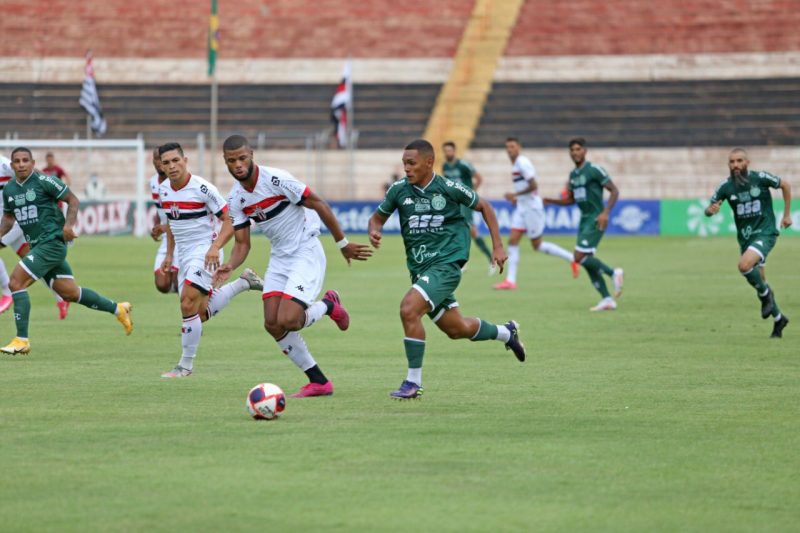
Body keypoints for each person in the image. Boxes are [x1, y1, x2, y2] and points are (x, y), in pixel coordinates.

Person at [214, 135, 372, 397]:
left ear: (252, 154)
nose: (238, 164)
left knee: (289, 319)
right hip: (280, 257)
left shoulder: (276, 179)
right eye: (232, 161)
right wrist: (230, 264)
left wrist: (342, 243)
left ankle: (328, 305)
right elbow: (242, 244)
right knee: (272, 324)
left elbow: (319, 203)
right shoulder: (237, 199)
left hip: (305, 250)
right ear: (226, 162)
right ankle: (319, 381)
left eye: (242, 158)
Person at [367, 139, 526, 400]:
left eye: (412, 163)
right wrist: (375, 230)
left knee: (409, 309)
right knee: (457, 329)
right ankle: (506, 332)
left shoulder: (449, 188)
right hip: (421, 270)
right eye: (404, 163)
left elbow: (485, 206)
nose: (406, 169)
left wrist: (498, 246)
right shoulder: (399, 191)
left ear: (429, 162)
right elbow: (377, 217)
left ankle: (412, 382)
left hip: (447, 265)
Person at [0, 147, 132, 354]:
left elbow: (73, 200)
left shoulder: (44, 181)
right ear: (13, 165)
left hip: (52, 243)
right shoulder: (9, 190)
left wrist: (68, 226)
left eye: (26, 160)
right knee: (69, 292)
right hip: (37, 245)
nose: (21, 164)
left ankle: (21, 340)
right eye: (17, 161)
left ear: (33, 163)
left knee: (16, 282)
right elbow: (9, 217)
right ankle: (118, 309)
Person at [157, 142, 263, 378]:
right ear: (161, 166)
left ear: (185, 161)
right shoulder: (164, 190)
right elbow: (173, 224)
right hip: (185, 255)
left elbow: (229, 219)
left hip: (205, 251)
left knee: (186, 304)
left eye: (176, 160)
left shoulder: (203, 189)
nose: (172, 166)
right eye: (166, 163)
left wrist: (215, 247)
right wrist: (169, 254)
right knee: (200, 313)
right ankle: (243, 283)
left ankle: (185, 367)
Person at [704, 148, 791, 338]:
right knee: (760, 281)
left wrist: (786, 215)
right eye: (732, 162)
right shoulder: (725, 187)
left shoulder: (760, 178)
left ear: (747, 162)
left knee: (744, 265)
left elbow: (785, 185)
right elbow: (708, 211)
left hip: (766, 233)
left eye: (739, 161)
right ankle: (778, 319)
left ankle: (766, 294)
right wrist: (711, 210)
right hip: (746, 238)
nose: (735, 165)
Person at [543, 138, 623, 311]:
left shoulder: (594, 170)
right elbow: (571, 200)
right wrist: (551, 201)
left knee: (578, 257)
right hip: (584, 220)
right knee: (585, 260)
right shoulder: (573, 175)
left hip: (596, 218)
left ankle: (613, 273)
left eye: (578, 149)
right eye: (572, 150)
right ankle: (607, 299)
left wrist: (605, 212)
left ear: (585, 151)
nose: (575, 152)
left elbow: (614, 190)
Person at [494, 137, 577, 290]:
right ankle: (510, 281)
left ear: (519, 147)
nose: (509, 149)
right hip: (522, 207)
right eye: (507, 147)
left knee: (537, 245)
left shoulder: (522, 162)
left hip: (532, 207)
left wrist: (515, 195)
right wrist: (517, 199)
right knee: (512, 241)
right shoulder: (516, 164)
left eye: (512, 146)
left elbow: (533, 185)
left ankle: (572, 258)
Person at [0, 154, 70, 320]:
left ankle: (6, 292)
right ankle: (62, 296)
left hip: (14, 220)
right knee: (33, 260)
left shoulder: (4, 165)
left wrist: (49, 192)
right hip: (6, 220)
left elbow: (34, 174)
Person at [441, 141, 494, 270]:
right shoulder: (445, 167)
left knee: (470, 230)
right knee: (459, 230)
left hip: (464, 203)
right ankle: (461, 261)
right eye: (446, 150)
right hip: (453, 203)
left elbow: (479, 178)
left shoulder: (463, 165)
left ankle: (490, 259)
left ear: (454, 151)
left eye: (450, 150)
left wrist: (470, 194)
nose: (448, 153)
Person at [148, 148, 179, 293]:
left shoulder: (176, 182)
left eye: (162, 159)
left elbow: (180, 217)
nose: (159, 162)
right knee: (162, 285)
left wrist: (164, 227)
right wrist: (157, 226)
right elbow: (159, 209)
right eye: (156, 159)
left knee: (181, 284)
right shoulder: (153, 182)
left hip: (181, 236)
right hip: (168, 237)